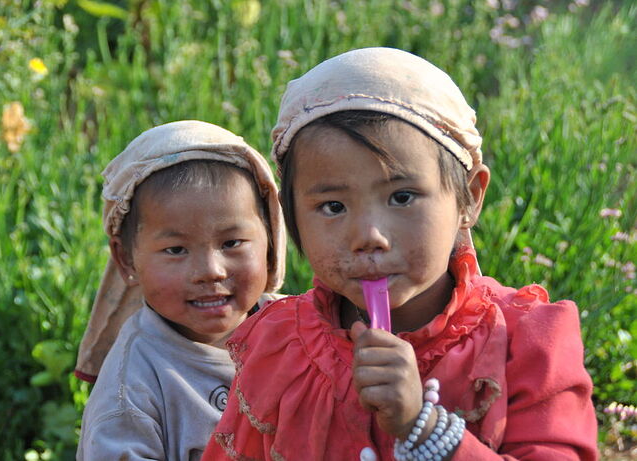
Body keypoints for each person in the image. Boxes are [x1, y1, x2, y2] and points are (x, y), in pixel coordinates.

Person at [202, 48, 598, 461]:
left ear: (471, 197)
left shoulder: (527, 341)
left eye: (402, 197)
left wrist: (423, 427)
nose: (369, 236)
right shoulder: (278, 341)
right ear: (290, 213)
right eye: (333, 207)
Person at [75, 120, 287, 461]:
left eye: (232, 242)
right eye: (176, 250)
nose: (210, 271)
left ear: (271, 240)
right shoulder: (129, 391)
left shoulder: (303, 331)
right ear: (126, 258)